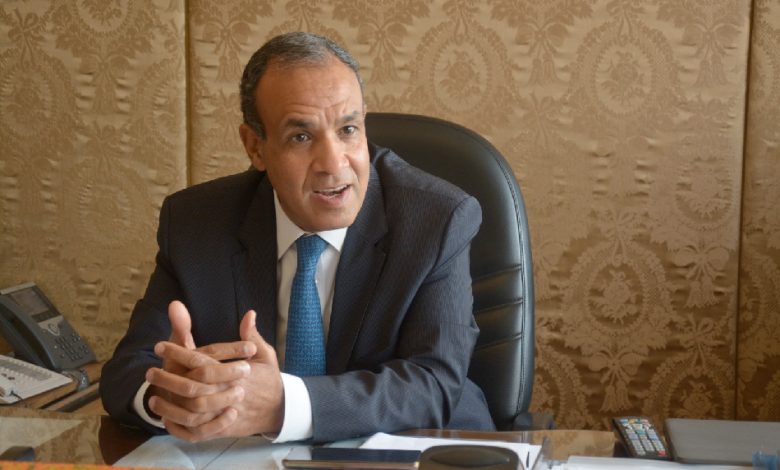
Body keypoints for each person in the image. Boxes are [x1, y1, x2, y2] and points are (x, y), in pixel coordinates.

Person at [101, 31, 494, 443]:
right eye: (301, 137)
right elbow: (129, 369)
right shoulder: (196, 224)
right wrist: (172, 396)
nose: (333, 164)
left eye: (348, 129)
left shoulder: (436, 219)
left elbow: (433, 384)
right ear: (255, 147)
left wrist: (285, 405)